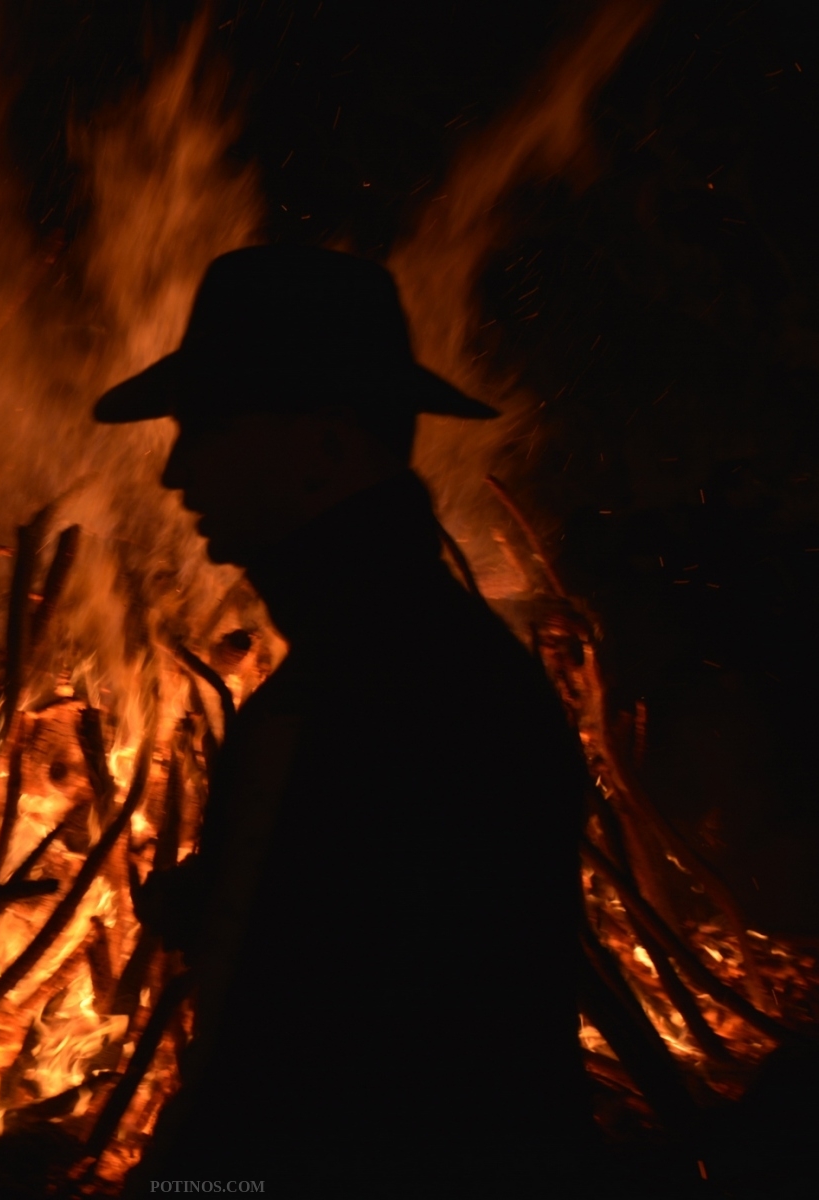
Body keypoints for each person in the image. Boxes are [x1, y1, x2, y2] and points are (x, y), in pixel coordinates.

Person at [95, 245, 588, 1195]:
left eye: (209, 428)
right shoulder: (416, 664)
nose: (176, 471)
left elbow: (316, 1090)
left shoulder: (377, 696)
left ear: (326, 446)